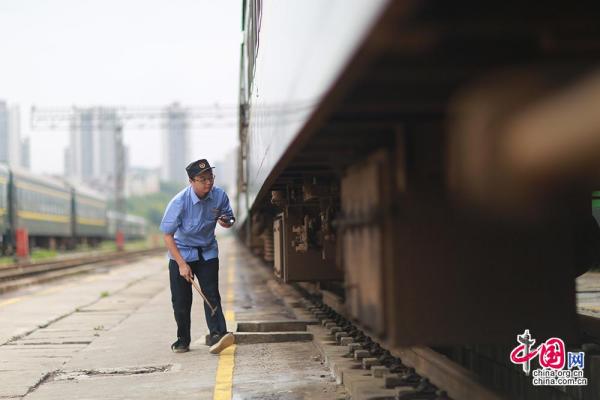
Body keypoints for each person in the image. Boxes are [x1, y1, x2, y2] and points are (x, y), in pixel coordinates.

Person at [160, 159, 235, 354]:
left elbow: (229, 217)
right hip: (182, 252)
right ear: (191, 181)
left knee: (211, 293)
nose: (208, 183)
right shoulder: (179, 202)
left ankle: (218, 335)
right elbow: (168, 236)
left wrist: (227, 222)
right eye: (202, 179)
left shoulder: (219, 196)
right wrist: (182, 264)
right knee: (181, 300)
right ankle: (183, 339)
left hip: (207, 251)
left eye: (210, 178)